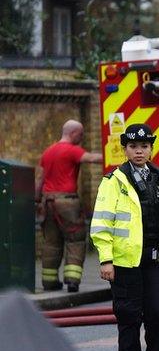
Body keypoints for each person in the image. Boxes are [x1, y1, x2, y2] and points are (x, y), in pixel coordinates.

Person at [90, 124, 159, 351]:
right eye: (133, 147)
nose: (139, 151)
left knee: (157, 313)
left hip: (156, 259)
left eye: (144, 146)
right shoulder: (114, 182)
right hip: (125, 262)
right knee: (130, 317)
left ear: (151, 149)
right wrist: (105, 259)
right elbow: (101, 224)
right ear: (125, 149)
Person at [36, 120, 103, 291]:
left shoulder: (48, 151)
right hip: (67, 202)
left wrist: (37, 200)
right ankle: (72, 281)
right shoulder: (72, 150)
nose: (81, 138)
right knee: (76, 240)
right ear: (73, 133)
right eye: (80, 135)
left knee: (51, 242)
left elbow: (40, 179)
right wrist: (119, 153)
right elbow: (93, 159)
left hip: (48, 202)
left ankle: (49, 282)